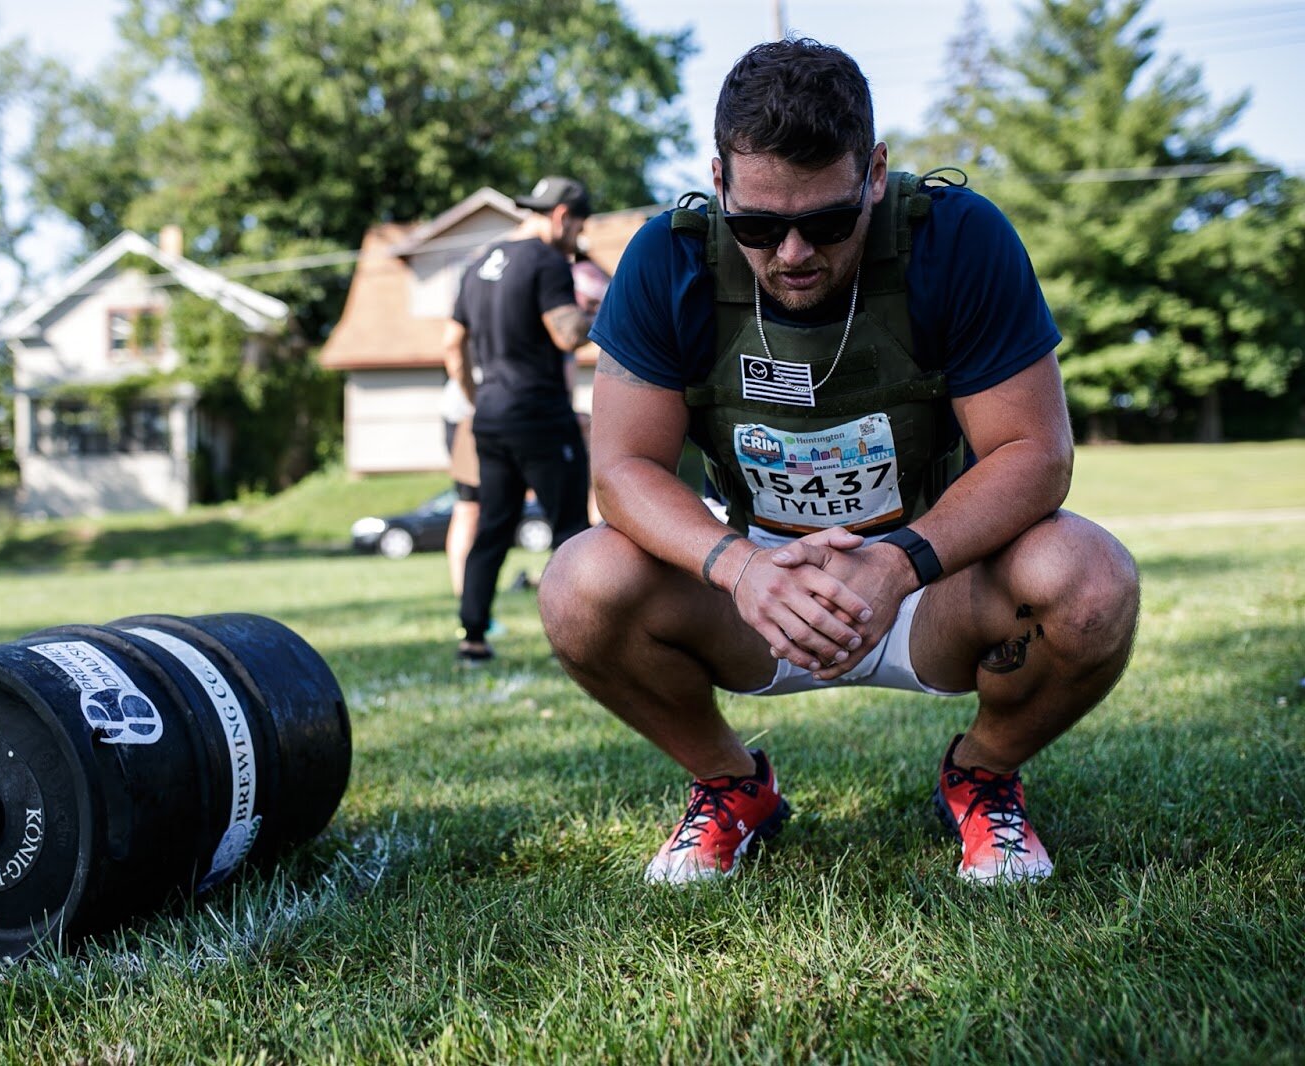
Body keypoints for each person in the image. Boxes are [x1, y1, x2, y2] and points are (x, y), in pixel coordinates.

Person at [538, 39, 1140, 886]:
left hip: (934, 585)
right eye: (757, 225)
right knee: (577, 585)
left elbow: (1036, 454)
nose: (792, 254)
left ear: (876, 174)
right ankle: (731, 785)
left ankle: (981, 776)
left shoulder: (956, 239)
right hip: (757, 595)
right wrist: (743, 569)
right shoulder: (666, 258)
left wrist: (898, 563)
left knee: (1091, 580)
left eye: (826, 221)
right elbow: (623, 472)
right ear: (718, 184)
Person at [444, 176, 596, 664]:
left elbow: (452, 344)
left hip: (489, 414)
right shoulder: (546, 261)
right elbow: (568, 334)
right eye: (579, 228)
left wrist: (476, 397)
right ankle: (572, 640)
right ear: (561, 217)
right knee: (570, 527)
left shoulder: (478, 263)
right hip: (541, 415)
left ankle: (472, 638)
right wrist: (610, 310)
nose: (579, 240)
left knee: (492, 527)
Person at [439, 374, 481, 598]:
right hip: (470, 415)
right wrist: (476, 401)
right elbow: (453, 346)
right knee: (469, 509)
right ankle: (465, 593)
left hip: (507, 407)